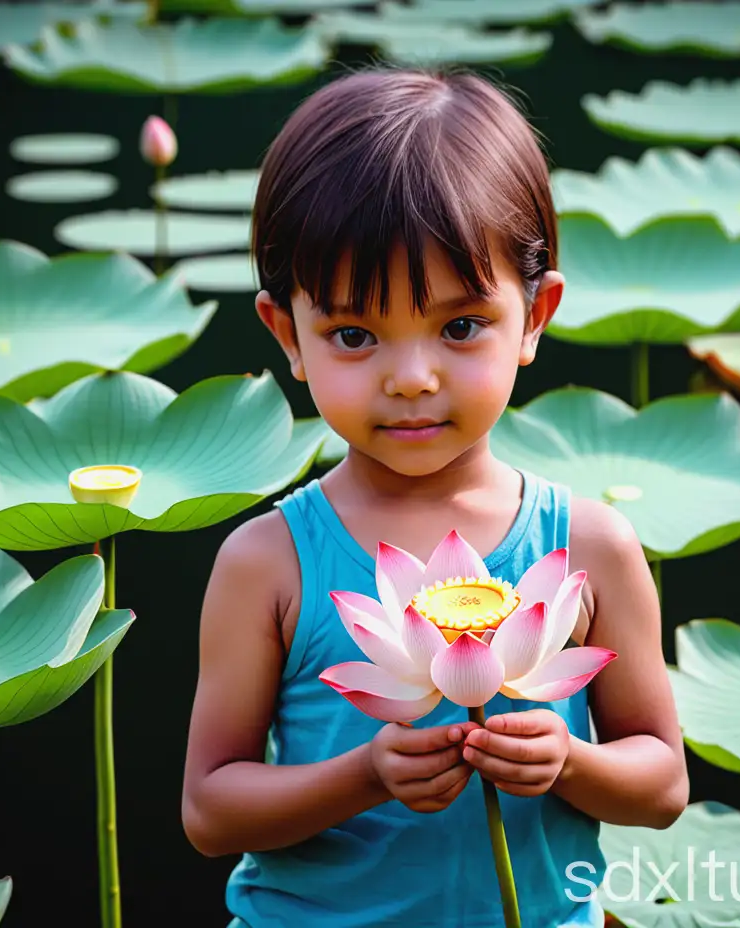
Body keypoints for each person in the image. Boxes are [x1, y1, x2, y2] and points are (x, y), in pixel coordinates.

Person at [181, 67, 689, 928]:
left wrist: (569, 759)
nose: (411, 379)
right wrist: (365, 774)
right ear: (287, 335)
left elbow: (663, 785)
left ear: (534, 316)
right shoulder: (267, 561)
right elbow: (210, 811)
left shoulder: (592, 546)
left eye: (459, 327)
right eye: (354, 334)